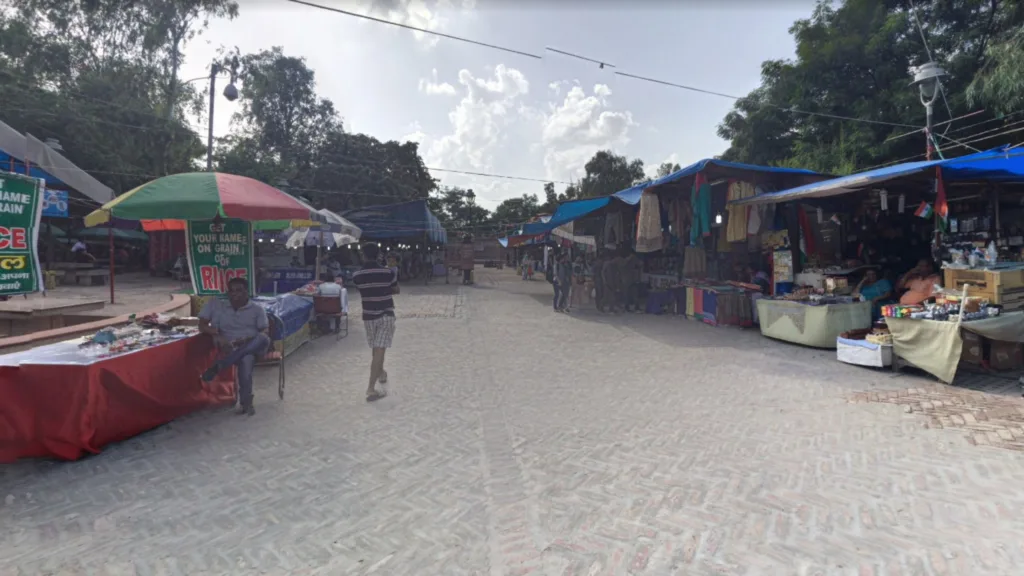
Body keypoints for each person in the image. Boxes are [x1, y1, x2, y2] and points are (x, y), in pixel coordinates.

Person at [199, 278, 271, 416]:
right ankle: (247, 403)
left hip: (255, 346)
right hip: (230, 347)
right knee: (246, 359)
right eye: (231, 291)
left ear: (246, 292)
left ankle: (221, 365)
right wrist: (217, 335)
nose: (235, 294)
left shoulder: (257, 309)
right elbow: (202, 326)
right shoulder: (218, 306)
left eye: (239, 290)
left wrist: (247, 340)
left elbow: (264, 330)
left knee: (262, 338)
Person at [352, 243, 399, 402]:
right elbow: (396, 289)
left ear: (362, 255)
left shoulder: (357, 275)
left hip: (369, 315)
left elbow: (363, 290)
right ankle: (371, 389)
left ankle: (381, 373)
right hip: (386, 313)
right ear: (379, 255)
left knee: (376, 348)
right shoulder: (387, 272)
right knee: (379, 350)